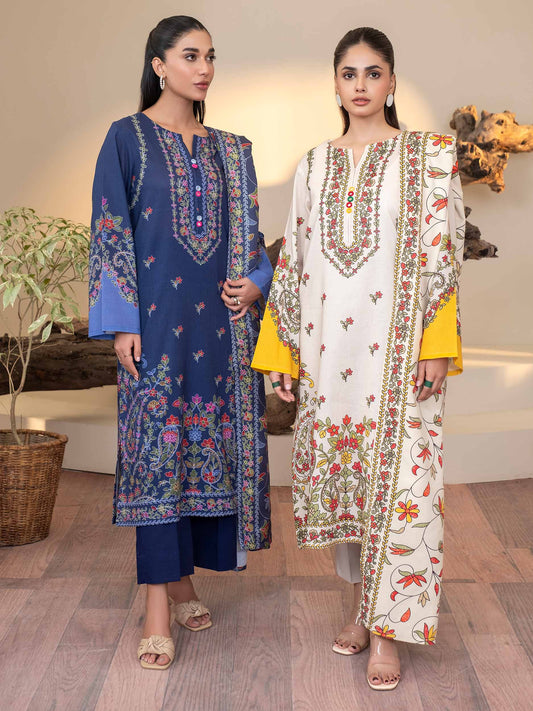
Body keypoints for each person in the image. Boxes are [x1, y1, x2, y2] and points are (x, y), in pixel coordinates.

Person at [252, 26, 464, 691]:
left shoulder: (428, 158)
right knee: (351, 483)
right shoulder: (315, 164)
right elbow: (295, 260)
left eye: (374, 73)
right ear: (336, 83)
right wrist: (280, 351)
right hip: (329, 354)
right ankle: (360, 609)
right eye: (350, 74)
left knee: (400, 485)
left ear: (392, 82)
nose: (361, 85)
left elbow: (445, 255)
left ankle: (388, 631)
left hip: (398, 354)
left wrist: (436, 344)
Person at [88, 15, 272, 670]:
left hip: (220, 333)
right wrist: (122, 320)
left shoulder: (233, 150)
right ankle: (156, 609)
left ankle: (185, 582)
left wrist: (255, 283)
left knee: (201, 456)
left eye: (210, 56)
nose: (204, 68)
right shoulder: (127, 138)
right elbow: (110, 229)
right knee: (157, 458)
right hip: (156, 327)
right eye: (190, 56)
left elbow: (253, 243)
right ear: (159, 64)